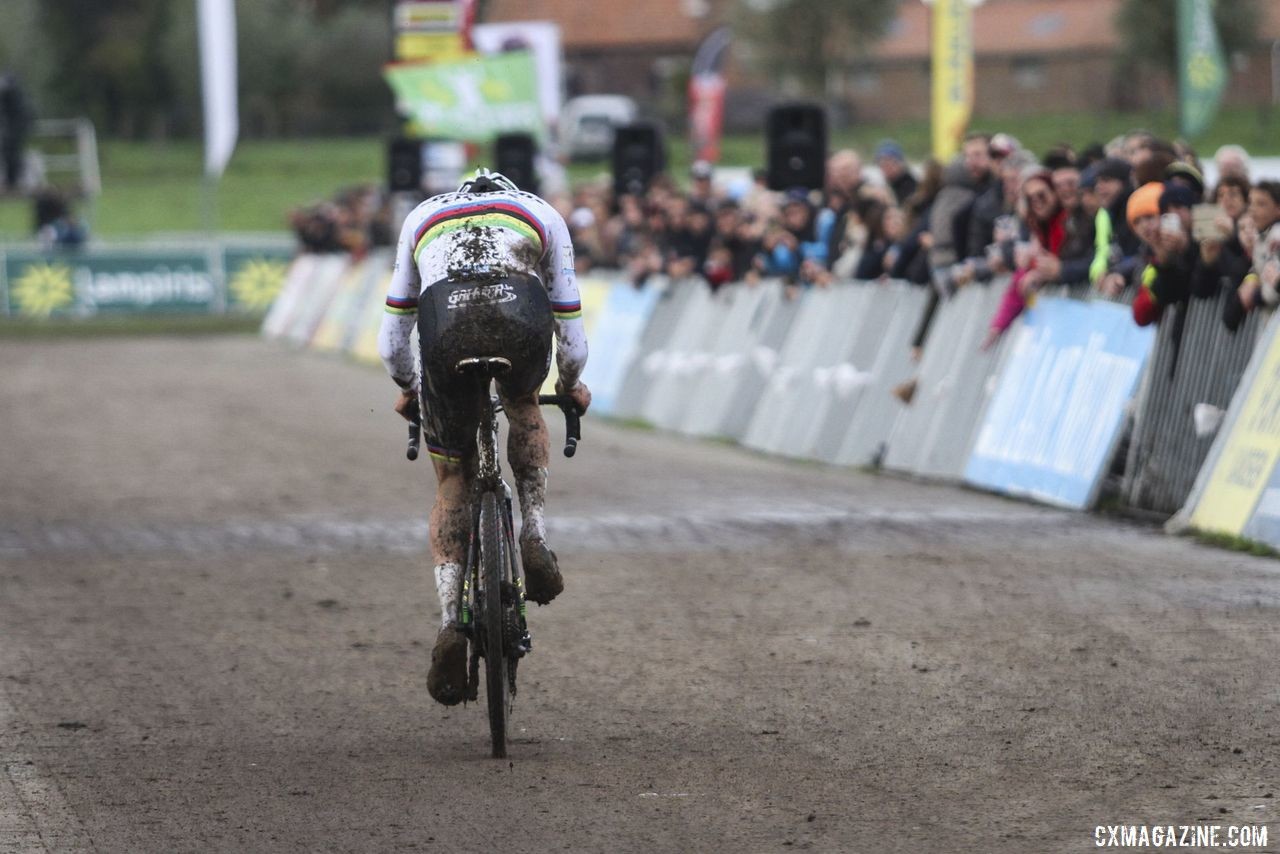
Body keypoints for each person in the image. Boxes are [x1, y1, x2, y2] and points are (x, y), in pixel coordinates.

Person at [377, 168, 592, 706]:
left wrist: (408, 388)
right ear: (510, 193)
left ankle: (451, 619)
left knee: (452, 480)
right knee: (523, 407)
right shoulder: (542, 212)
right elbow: (569, 322)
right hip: (517, 318)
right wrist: (569, 385)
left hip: (444, 326)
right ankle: (535, 535)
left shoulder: (421, 216)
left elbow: (392, 335)